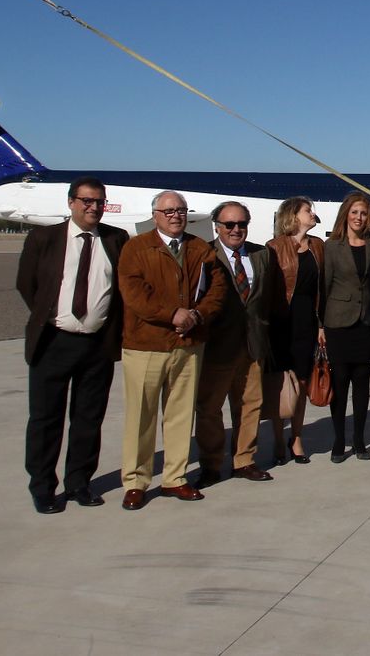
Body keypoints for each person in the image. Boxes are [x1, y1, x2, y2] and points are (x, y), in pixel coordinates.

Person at [16, 176, 128, 513]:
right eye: (86, 201)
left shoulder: (116, 239)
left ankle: (79, 482)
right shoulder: (44, 238)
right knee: (45, 419)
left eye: (99, 202)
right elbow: (27, 284)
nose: (93, 207)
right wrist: (52, 315)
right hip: (53, 341)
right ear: (71, 202)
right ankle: (42, 487)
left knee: (88, 419)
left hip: (97, 344)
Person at [116, 190, 226, 509]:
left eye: (181, 210)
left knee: (180, 414)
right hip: (146, 344)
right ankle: (136, 481)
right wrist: (172, 314)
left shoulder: (200, 248)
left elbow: (216, 290)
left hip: (188, 345)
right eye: (169, 211)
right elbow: (134, 293)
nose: (176, 216)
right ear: (155, 216)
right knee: (141, 416)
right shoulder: (136, 248)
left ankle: (174, 478)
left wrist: (197, 316)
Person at [195, 201, 274, 487]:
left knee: (250, 405)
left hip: (252, 344)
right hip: (217, 346)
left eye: (241, 224)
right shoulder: (204, 254)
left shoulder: (262, 254)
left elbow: (268, 298)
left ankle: (244, 460)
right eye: (229, 224)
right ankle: (211, 464)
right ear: (217, 227)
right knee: (209, 409)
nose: (236, 229)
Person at [321, 192, 370, 462]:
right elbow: (324, 287)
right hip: (338, 321)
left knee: (361, 382)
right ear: (345, 215)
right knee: (339, 382)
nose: (359, 218)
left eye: (364, 213)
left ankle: (359, 439)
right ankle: (339, 439)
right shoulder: (332, 246)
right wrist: (320, 325)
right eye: (355, 212)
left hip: (366, 323)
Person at [264, 196, 326, 465]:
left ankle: (296, 437)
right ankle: (279, 437)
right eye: (307, 210)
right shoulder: (274, 247)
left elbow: (323, 289)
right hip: (280, 322)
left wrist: (321, 325)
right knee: (280, 383)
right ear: (293, 215)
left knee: (301, 382)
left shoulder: (318, 246)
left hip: (307, 322)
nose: (312, 214)